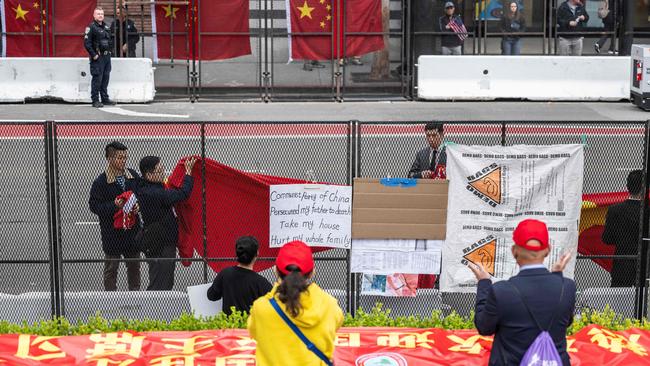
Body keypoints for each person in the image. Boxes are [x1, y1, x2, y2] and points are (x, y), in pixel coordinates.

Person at [469, 219, 576, 366]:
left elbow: (484, 327)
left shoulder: (501, 291)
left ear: (514, 251)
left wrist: (484, 284)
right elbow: (565, 321)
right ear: (548, 250)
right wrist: (557, 276)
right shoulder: (567, 287)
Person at [248, 240, 343, 366]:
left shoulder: (260, 308)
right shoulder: (330, 306)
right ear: (312, 272)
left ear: (275, 271)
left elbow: (254, 332)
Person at [89, 141, 141, 291]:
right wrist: (114, 205)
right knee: (111, 270)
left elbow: (140, 195)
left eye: (125, 157)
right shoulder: (101, 182)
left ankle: (135, 299)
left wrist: (138, 206)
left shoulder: (132, 176)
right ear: (109, 159)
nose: (123, 161)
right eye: (120, 158)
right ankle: (110, 300)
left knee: (134, 269)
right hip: (112, 233)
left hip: (132, 232)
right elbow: (94, 206)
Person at [138, 156, 196, 291]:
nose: (163, 173)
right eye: (160, 171)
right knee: (162, 280)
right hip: (162, 242)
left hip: (155, 239)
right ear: (149, 174)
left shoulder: (144, 187)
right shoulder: (156, 193)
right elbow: (183, 193)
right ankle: (155, 308)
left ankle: (157, 306)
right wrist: (188, 174)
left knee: (161, 277)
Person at [207, 236, 273, 315]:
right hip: (249, 326)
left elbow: (212, 296)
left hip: (229, 325)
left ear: (237, 253)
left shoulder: (225, 274)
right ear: (257, 254)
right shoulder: (261, 282)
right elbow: (273, 306)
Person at [602, 170, 644, 287]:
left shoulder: (615, 210)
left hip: (622, 265)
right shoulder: (646, 211)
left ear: (627, 187)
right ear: (644, 187)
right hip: (644, 267)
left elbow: (607, 239)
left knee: (619, 301)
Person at [84, 7, 115, 108]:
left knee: (105, 78)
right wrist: (94, 55)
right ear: (94, 15)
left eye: (102, 14)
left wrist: (110, 52)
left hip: (106, 57)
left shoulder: (106, 27)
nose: (100, 15)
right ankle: (95, 100)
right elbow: (87, 44)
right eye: (98, 14)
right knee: (97, 79)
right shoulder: (91, 27)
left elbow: (110, 41)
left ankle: (105, 98)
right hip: (98, 58)